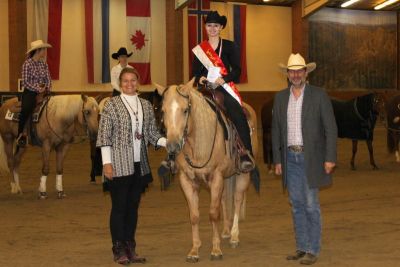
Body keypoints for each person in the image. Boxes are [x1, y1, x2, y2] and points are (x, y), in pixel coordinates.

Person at [271, 53, 337, 265]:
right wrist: (278, 160)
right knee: (296, 204)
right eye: (292, 71)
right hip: (290, 158)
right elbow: (276, 131)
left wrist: (329, 157)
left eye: (300, 70)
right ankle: (301, 247)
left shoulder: (319, 95)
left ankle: (313, 249)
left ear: (306, 73)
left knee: (311, 204)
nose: (296, 74)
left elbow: (331, 128)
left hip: (312, 157)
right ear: (287, 74)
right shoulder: (281, 98)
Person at [96, 68, 166, 265]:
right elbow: (104, 136)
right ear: (120, 83)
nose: (129, 84)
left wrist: (168, 142)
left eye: (132, 80)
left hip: (139, 165)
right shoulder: (112, 105)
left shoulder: (145, 105)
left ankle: (130, 246)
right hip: (117, 164)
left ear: (138, 82)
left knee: (133, 207)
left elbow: (152, 134)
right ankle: (118, 248)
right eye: (125, 81)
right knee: (119, 207)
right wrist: (107, 163)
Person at [191, 10, 253, 173]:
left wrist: (223, 80)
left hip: (224, 88)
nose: (212, 28)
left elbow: (237, 70)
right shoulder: (199, 50)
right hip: (204, 89)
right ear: (205, 27)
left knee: (237, 113)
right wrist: (201, 79)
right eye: (209, 25)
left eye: (215, 26)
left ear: (221, 28)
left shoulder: (229, 46)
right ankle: (177, 154)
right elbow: (195, 73)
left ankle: (246, 152)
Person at [17, 39, 52, 147]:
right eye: (43, 50)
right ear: (38, 51)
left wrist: (47, 87)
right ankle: (21, 135)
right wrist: (38, 89)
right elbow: (26, 82)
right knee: (26, 108)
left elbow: (48, 79)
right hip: (31, 92)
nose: (45, 52)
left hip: (44, 91)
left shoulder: (44, 64)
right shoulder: (27, 64)